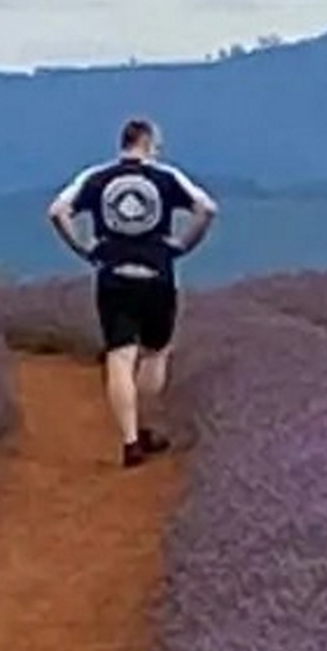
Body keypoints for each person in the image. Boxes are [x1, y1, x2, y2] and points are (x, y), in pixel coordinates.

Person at [46, 117, 220, 468]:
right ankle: (143, 425)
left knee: (120, 356)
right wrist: (184, 245)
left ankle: (129, 441)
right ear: (149, 143)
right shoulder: (166, 177)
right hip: (157, 273)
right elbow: (208, 208)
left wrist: (84, 248)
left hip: (113, 274)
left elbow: (57, 211)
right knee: (156, 352)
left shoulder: (96, 177)